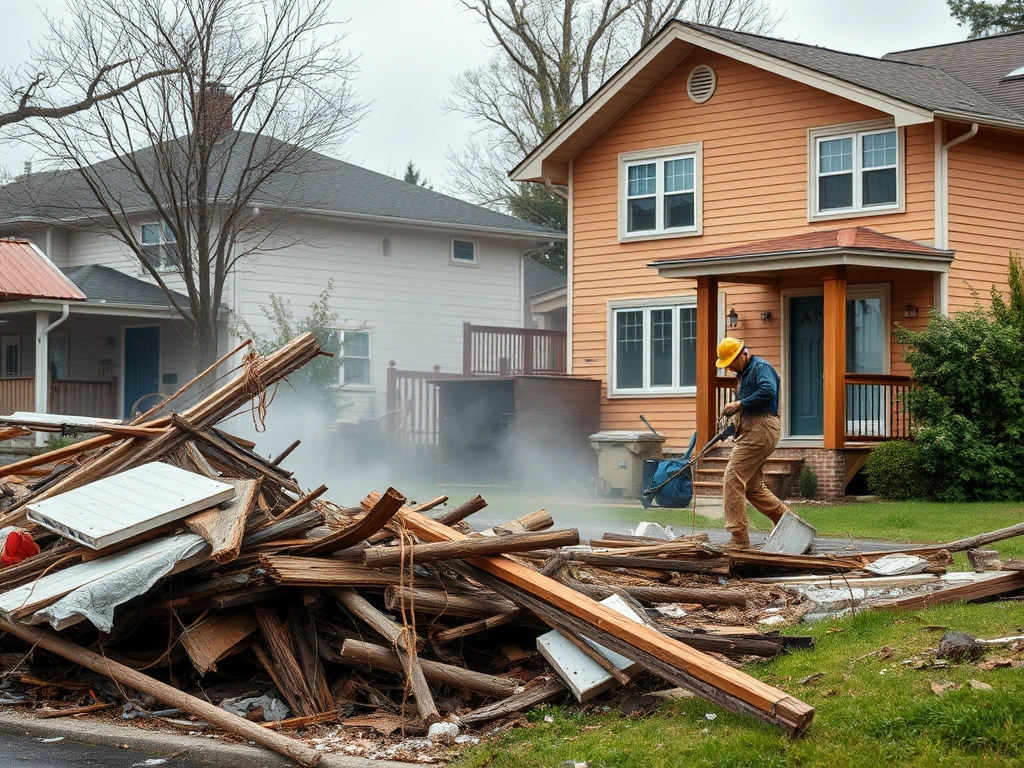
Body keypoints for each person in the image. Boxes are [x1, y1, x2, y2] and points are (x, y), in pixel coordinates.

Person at [716, 337, 790, 549]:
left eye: (731, 362)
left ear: (743, 354)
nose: (729, 367)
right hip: (753, 431)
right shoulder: (743, 374)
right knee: (752, 486)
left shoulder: (760, 367)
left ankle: (739, 537)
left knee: (733, 478)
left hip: (761, 429)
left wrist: (739, 404)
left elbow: (768, 390)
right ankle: (787, 523)